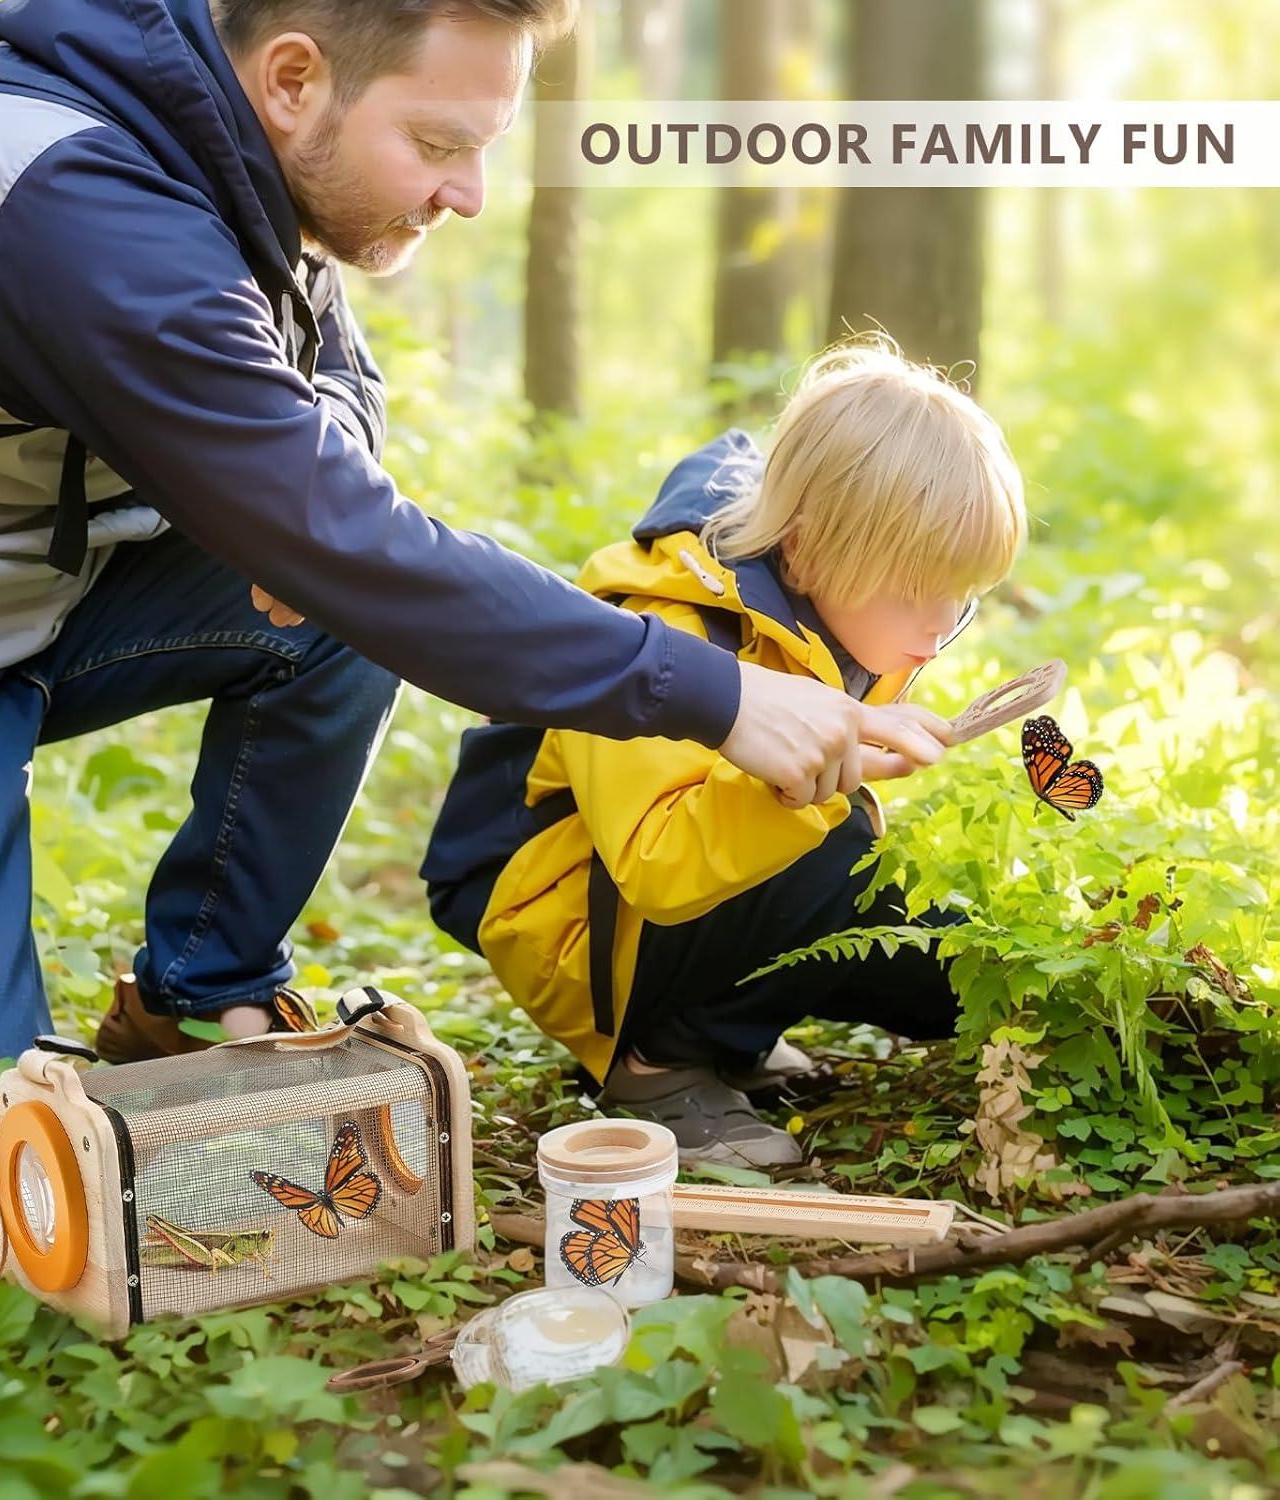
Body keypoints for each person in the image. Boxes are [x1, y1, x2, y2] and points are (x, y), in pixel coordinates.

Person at [0, 0, 947, 1199]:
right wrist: (712, 693)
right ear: (293, 78)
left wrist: (302, 498)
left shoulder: (210, 147)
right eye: (440, 146)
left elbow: (335, 371)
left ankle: (204, 993)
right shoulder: (76, 210)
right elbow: (364, 540)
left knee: (340, 598)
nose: (470, 194)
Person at [422, 341, 1027, 1169]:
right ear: (811, 551)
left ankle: (724, 1030)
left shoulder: (835, 615)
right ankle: (658, 1066)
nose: (937, 624)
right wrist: (819, 787)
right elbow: (658, 867)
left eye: (962, 597)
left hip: (660, 905)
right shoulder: (665, 632)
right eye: (917, 590)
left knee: (935, 963)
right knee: (837, 843)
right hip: (565, 915)